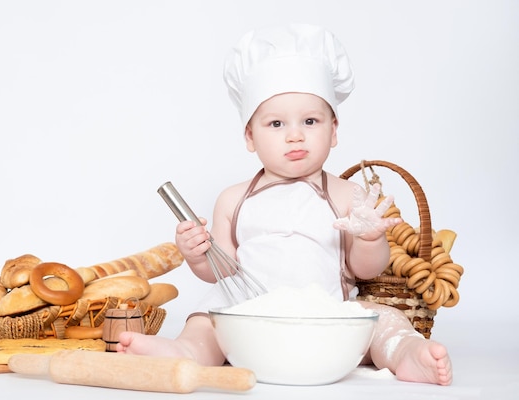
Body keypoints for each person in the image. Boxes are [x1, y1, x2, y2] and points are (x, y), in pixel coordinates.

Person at [117, 23, 452, 386]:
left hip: (325, 316)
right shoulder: (233, 199)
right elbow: (221, 271)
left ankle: (406, 354)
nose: (295, 134)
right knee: (205, 321)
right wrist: (197, 254)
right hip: (246, 317)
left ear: (334, 130)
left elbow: (365, 271)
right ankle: (185, 352)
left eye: (310, 121)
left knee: (382, 320)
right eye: (276, 123)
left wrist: (370, 239)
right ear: (250, 136)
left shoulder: (345, 194)